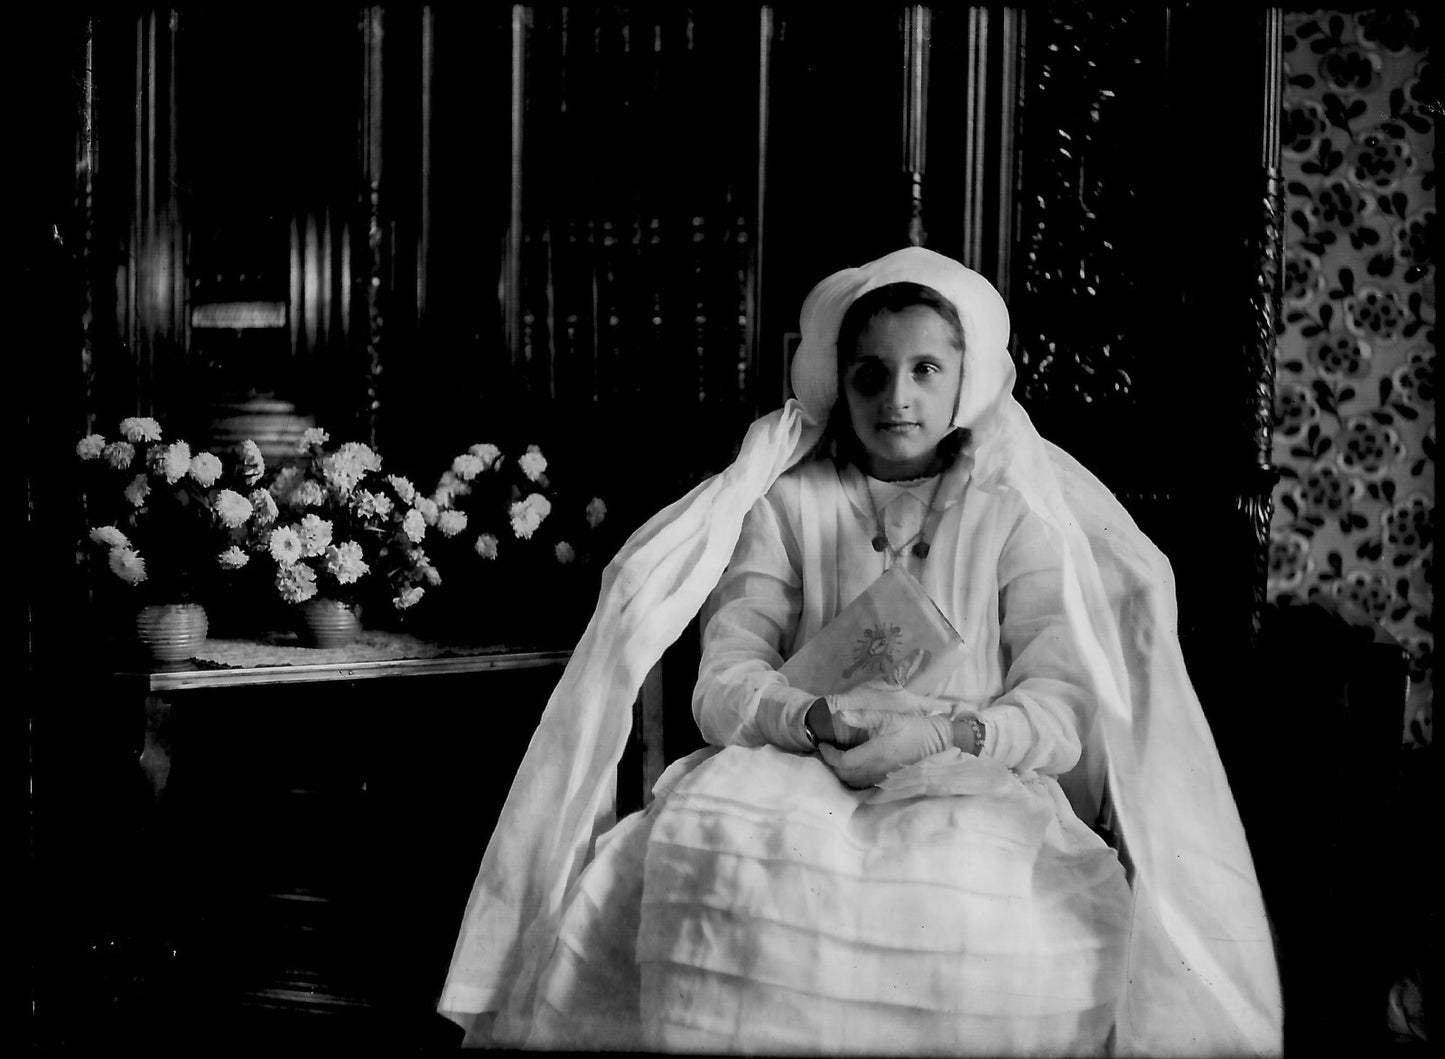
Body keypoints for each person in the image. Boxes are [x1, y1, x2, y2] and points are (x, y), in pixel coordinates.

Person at [438, 248, 1283, 1056]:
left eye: (924, 370)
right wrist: (803, 713)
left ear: (967, 380)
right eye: (869, 373)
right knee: (728, 868)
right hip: (797, 762)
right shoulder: (787, 503)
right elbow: (724, 678)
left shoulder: (1014, 513)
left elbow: (1060, 704)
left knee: (972, 906)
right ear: (838, 385)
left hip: (967, 772)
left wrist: (951, 737)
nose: (896, 396)